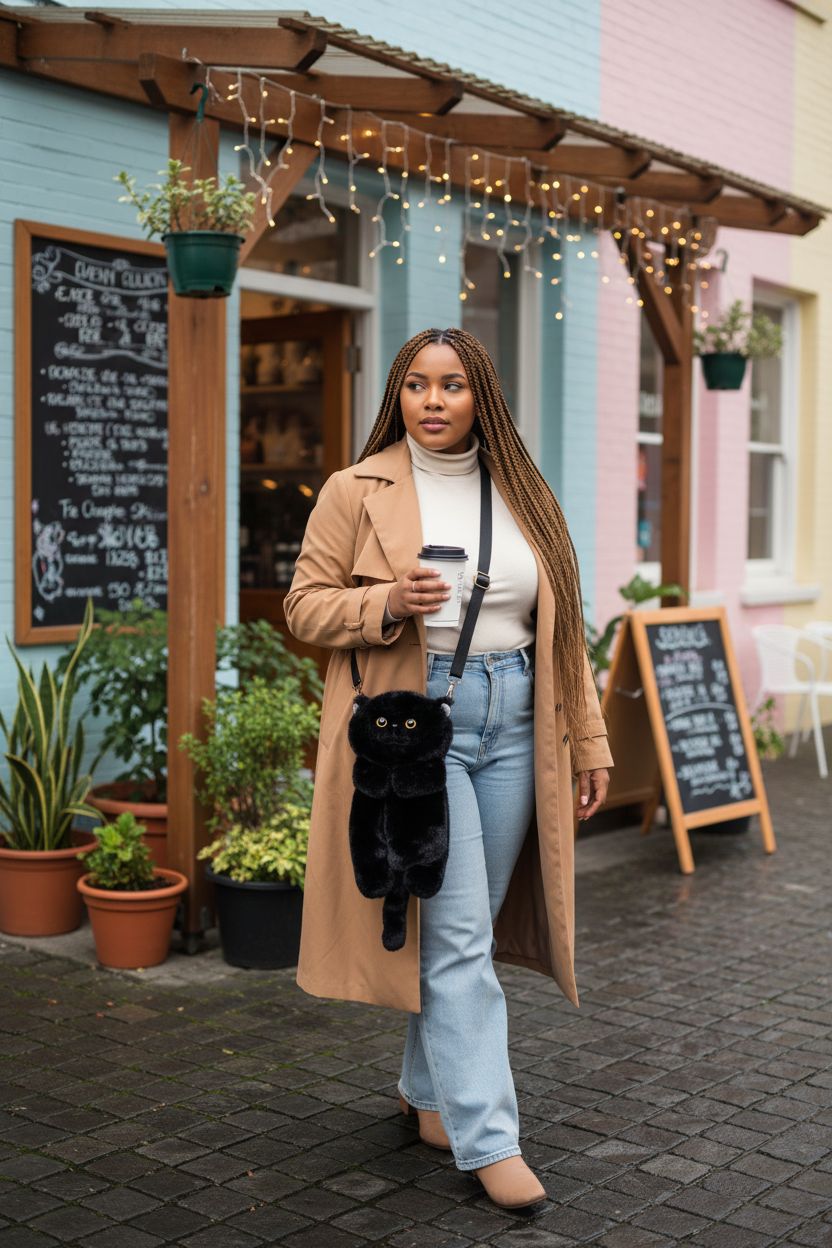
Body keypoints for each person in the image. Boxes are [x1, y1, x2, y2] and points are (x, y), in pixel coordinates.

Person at [284, 327, 612, 1215]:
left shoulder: (525, 491)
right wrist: (388, 602)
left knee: (464, 928)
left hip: (520, 718)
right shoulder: (357, 488)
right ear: (397, 394)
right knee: (461, 937)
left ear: (481, 398)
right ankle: (491, 1140)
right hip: (418, 725)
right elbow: (305, 607)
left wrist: (588, 740)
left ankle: (427, 1094)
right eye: (418, 384)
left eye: (453, 384)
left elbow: (564, 631)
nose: (434, 400)